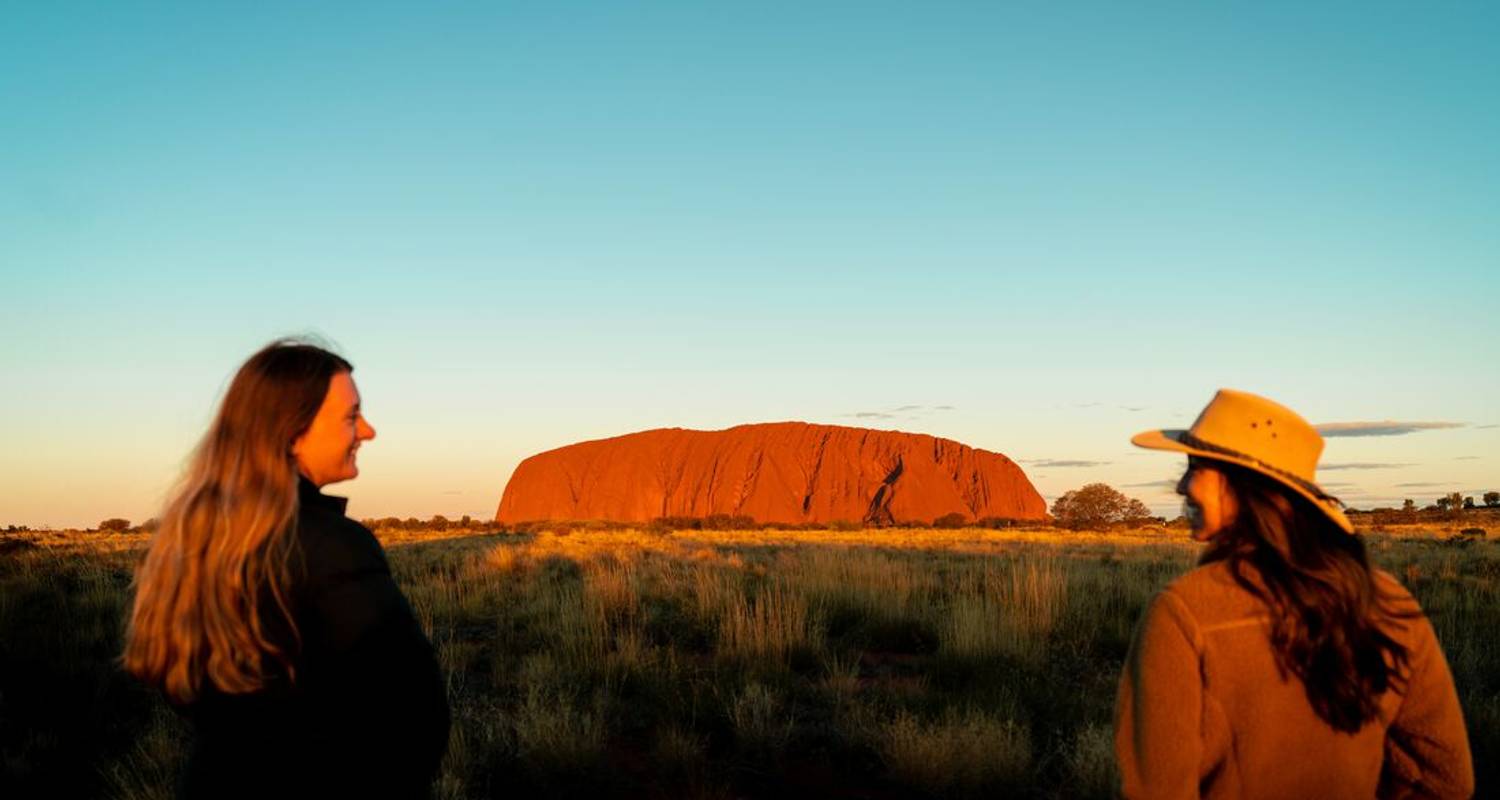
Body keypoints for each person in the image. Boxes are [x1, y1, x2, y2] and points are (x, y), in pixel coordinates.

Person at [123, 339, 449, 798]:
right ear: (293, 432)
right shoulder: (333, 546)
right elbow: (414, 715)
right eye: (352, 416)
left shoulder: (193, 541)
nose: (369, 431)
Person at [1116, 388, 1472, 799]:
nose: (1181, 486)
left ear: (1243, 485)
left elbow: (1155, 790)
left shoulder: (1183, 613)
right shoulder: (1387, 598)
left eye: (1195, 468)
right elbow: (1445, 780)